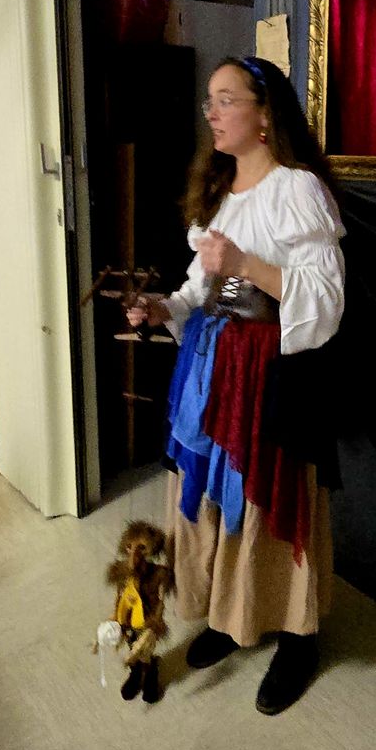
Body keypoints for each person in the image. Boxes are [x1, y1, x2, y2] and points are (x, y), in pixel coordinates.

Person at [126, 56, 345, 715]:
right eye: (209, 102)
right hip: (213, 368)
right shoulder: (221, 192)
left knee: (267, 496)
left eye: (226, 100)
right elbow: (207, 288)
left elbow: (325, 298)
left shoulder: (297, 189)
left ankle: (298, 636)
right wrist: (166, 308)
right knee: (218, 497)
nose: (212, 113)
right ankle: (230, 614)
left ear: (264, 112)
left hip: (273, 374)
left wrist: (246, 263)